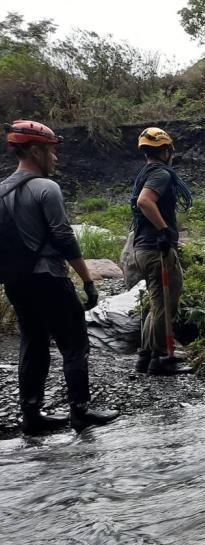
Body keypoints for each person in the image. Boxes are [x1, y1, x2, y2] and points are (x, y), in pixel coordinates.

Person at [1, 120, 119, 434]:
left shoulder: (1, 190)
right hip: (49, 278)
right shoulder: (46, 188)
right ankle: (80, 412)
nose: (55, 158)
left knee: (33, 341)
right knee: (75, 344)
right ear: (36, 151)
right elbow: (64, 238)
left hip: (16, 282)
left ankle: (32, 416)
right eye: (52, 152)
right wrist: (88, 281)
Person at [130, 127, 192, 375]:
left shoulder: (145, 172)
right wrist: (164, 230)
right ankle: (160, 358)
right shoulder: (161, 174)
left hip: (143, 249)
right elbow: (144, 201)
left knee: (157, 303)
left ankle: (145, 357)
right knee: (167, 302)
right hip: (157, 249)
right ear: (165, 150)